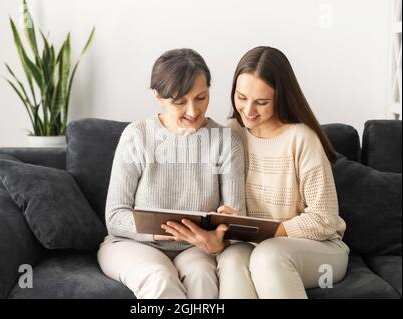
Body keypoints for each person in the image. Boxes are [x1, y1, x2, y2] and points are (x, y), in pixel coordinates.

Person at [97, 48, 245, 299]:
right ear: (157, 96)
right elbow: (115, 216)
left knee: (202, 280)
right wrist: (157, 229)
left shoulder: (225, 140)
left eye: (201, 97)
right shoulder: (138, 135)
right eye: (179, 102)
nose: (193, 111)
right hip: (133, 245)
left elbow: (234, 216)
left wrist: (220, 240)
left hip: (195, 249)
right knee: (160, 276)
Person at [205, 46, 349, 298]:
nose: (248, 110)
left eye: (261, 102)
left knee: (268, 255)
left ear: (281, 97)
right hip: (251, 245)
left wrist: (267, 232)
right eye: (241, 97)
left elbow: (324, 220)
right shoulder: (230, 134)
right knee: (232, 261)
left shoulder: (301, 138)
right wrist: (228, 223)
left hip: (319, 248)